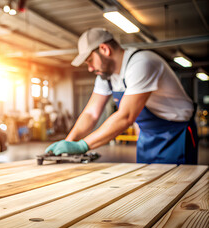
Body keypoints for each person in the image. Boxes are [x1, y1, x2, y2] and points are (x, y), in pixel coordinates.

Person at [46, 28, 198, 165]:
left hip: (177, 134)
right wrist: (67, 144)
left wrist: (82, 146)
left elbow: (126, 116)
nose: (90, 68)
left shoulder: (141, 63)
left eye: (90, 60)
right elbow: (91, 114)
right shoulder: (106, 77)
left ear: (104, 49)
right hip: (147, 136)